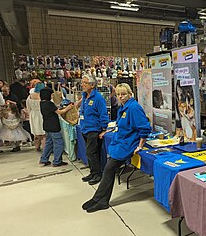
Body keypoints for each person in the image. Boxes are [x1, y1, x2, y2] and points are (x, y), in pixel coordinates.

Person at [82, 83, 151, 213]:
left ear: (130, 94)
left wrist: (140, 146)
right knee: (109, 170)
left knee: (108, 170)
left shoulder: (134, 108)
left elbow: (144, 128)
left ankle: (99, 200)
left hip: (127, 145)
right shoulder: (123, 107)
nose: (121, 97)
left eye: (123, 94)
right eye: (118, 94)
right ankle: (99, 200)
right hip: (120, 143)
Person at [78, 75, 109, 184]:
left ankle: (97, 174)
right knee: (90, 153)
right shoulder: (84, 96)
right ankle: (93, 172)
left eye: (85, 83)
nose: (82, 85)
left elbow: (103, 114)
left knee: (91, 153)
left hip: (94, 129)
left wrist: (104, 129)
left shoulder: (98, 98)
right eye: (82, 82)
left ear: (92, 85)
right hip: (85, 128)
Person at [39, 88, 73, 166]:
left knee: (49, 143)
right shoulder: (49, 104)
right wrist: (68, 108)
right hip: (54, 126)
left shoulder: (42, 103)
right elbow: (59, 112)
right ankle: (57, 161)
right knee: (59, 143)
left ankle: (44, 159)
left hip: (46, 126)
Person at [27, 82, 46, 151]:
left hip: (33, 114)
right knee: (43, 133)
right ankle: (45, 148)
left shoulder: (30, 96)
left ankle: (37, 147)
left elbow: (28, 106)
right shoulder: (43, 96)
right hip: (41, 114)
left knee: (36, 133)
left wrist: (30, 114)